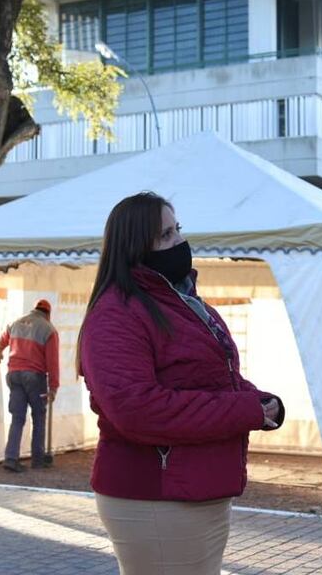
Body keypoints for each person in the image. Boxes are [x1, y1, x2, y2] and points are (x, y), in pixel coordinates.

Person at [78, 192, 284, 575]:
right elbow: (137, 409)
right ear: (136, 246)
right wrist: (245, 410)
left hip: (193, 488)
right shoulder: (117, 314)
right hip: (155, 494)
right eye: (165, 236)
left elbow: (214, 377)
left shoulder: (181, 301)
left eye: (178, 230)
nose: (179, 243)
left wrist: (260, 401)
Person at [0, 298, 59, 472]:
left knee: (17, 418)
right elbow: (52, 362)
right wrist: (53, 387)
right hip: (34, 376)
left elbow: (4, 337)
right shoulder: (49, 329)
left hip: (13, 374)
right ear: (48, 313)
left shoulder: (16, 322)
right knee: (39, 416)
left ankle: (11, 458)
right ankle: (38, 460)